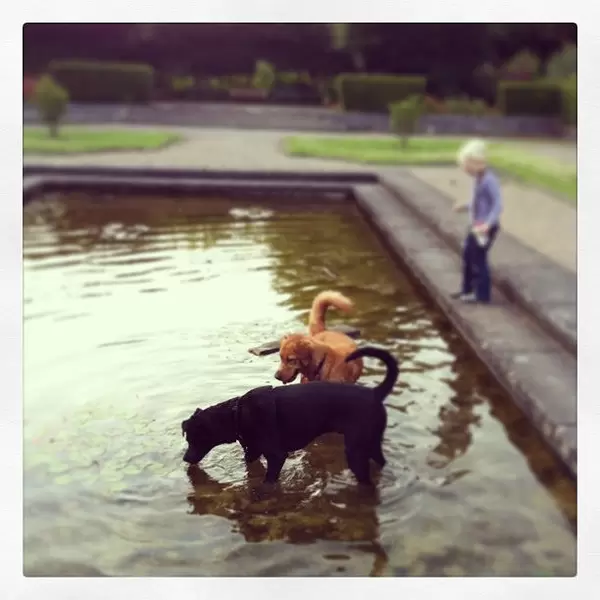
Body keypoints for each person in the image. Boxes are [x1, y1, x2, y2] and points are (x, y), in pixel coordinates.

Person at [451, 139, 502, 304]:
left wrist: (488, 224)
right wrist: (465, 206)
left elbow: (497, 205)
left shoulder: (489, 180)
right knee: (468, 255)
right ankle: (467, 289)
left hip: (485, 228)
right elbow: (477, 202)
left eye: (466, 165)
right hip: (476, 226)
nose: (465, 169)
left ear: (478, 162)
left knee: (478, 258)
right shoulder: (478, 179)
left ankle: (482, 294)